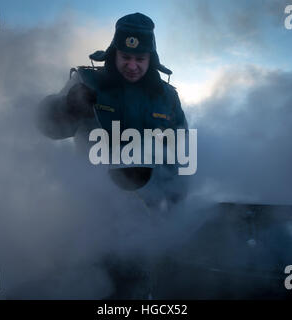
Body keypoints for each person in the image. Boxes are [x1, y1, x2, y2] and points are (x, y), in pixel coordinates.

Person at [37, 12, 189, 212]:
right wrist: (68, 108)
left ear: (150, 59)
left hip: (151, 210)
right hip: (93, 208)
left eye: (140, 58)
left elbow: (180, 151)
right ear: (114, 52)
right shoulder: (86, 82)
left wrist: (176, 206)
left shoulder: (167, 96)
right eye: (126, 57)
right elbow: (48, 129)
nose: (132, 66)